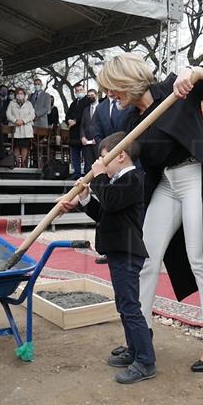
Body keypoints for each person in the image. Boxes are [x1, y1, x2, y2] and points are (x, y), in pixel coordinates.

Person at [98, 53, 203, 371]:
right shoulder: (128, 123)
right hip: (165, 184)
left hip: (196, 177)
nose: (110, 95)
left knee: (200, 258)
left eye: (113, 88)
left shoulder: (174, 90)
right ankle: (139, 337)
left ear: (128, 81)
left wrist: (195, 72)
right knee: (145, 258)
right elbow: (125, 164)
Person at [59, 132, 155, 383]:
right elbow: (104, 212)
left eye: (103, 158)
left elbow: (111, 202)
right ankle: (133, 350)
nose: (100, 163)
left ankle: (145, 360)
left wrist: (99, 175)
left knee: (131, 307)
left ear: (120, 155)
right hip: (117, 249)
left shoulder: (134, 178)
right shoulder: (116, 182)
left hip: (128, 250)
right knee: (123, 305)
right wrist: (85, 197)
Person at [66, 83, 92, 178]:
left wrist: (76, 121)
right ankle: (76, 172)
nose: (79, 92)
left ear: (84, 90)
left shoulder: (87, 101)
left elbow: (85, 115)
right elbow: (67, 114)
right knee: (75, 154)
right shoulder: (73, 103)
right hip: (73, 132)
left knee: (86, 154)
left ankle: (86, 172)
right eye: (77, 91)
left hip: (83, 131)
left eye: (80, 90)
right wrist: (68, 120)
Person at [7, 87, 35, 168]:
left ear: (24, 95)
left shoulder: (29, 104)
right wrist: (15, 120)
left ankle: (23, 163)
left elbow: (32, 115)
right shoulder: (12, 103)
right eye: (18, 94)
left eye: (21, 94)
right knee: (16, 146)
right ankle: (16, 162)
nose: (19, 95)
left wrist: (23, 121)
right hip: (15, 128)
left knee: (24, 146)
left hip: (26, 128)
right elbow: (8, 114)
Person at [80, 89, 100, 165]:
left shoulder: (101, 108)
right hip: (87, 142)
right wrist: (82, 137)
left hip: (98, 142)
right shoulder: (85, 110)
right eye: (88, 96)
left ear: (96, 95)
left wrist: (98, 138)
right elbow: (82, 125)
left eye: (92, 95)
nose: (90, 97)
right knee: (88, 165)